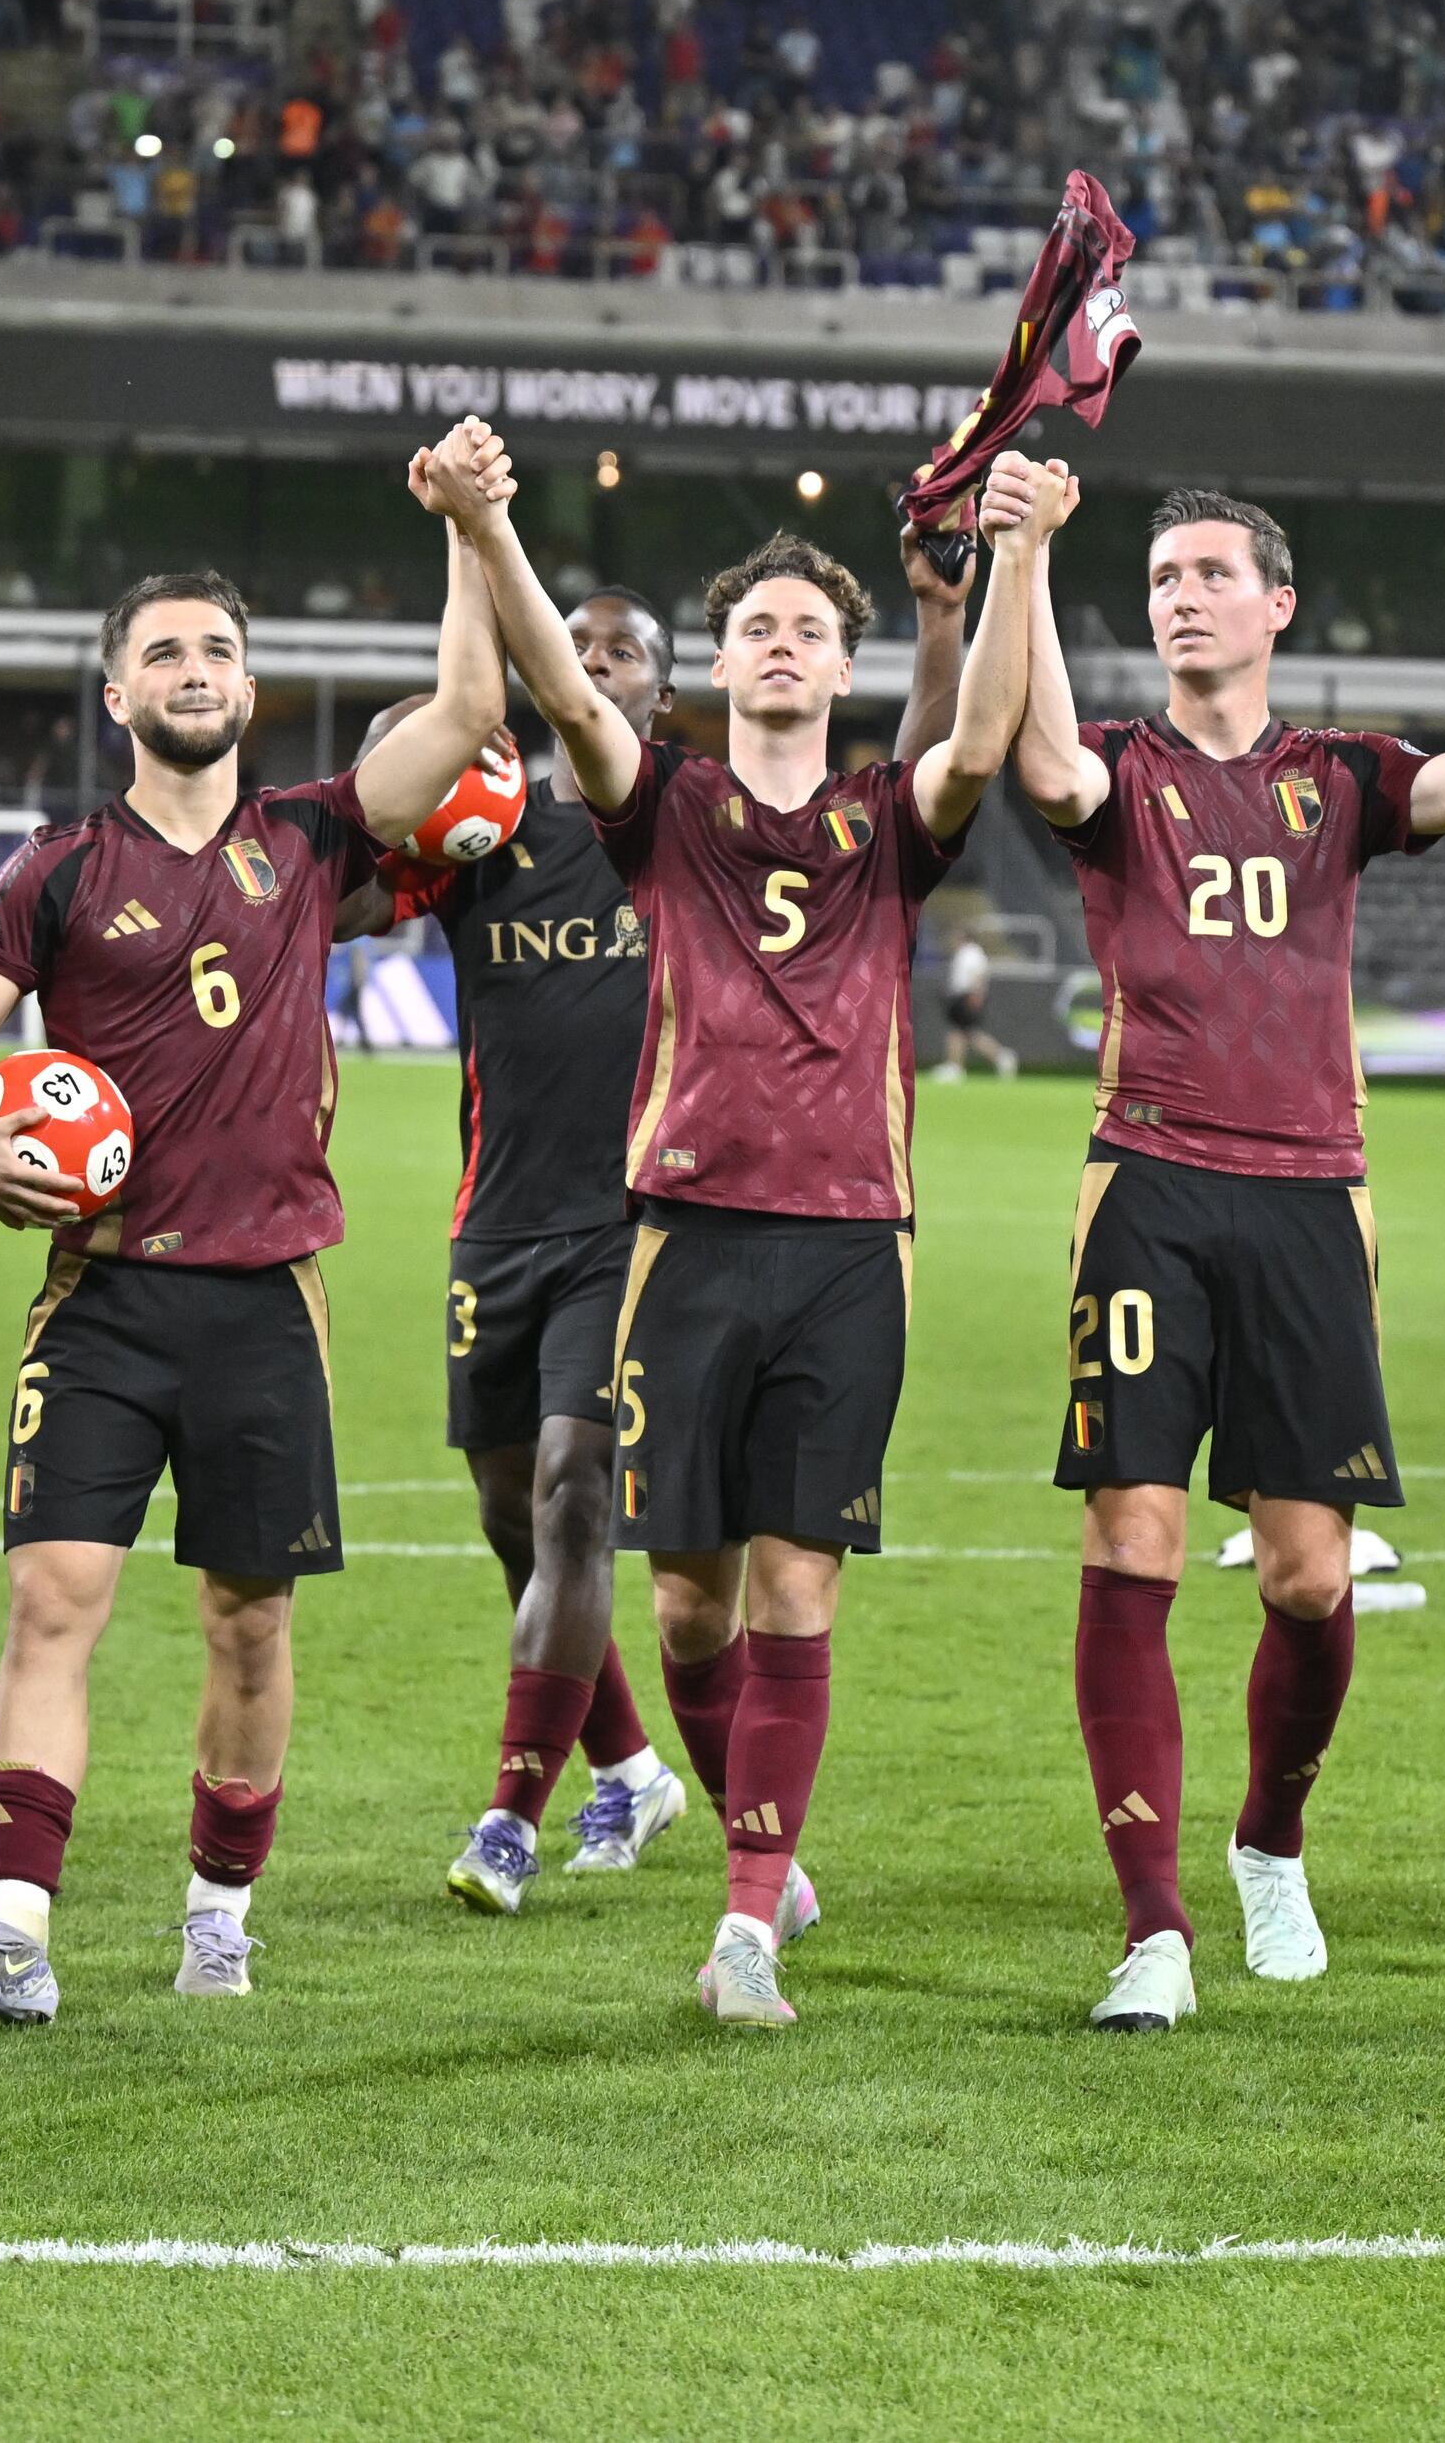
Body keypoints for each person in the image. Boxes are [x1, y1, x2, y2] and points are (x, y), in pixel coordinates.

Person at [0, 426, 518, 2025]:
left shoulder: (309, 836)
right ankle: (18, 1931)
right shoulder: (53, 867)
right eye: (163, 649)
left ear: (250, 683)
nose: (195, 667)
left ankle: (217, 1914)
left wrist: (469, 526)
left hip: (264, 1302)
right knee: (53, 1599)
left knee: (249, 1626)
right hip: (100, 1300)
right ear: (115, 695)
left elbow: (464, 717)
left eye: (219, 648)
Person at [995, 473, 1445, 2030]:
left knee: (1304, 1574)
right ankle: (1154, 1929)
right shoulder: (1118, 771)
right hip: (1143, 1181)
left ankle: (1270, 1838)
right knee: (1131, 1537)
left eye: (1215, 571)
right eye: (1161, 575)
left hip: (1309, 1198)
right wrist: (1026, 548)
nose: (1184, 594)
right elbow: (1037, 748)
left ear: (1280, 605)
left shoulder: (1342, 777)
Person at [481, 464, 1060, 2028]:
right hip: (685, 1239)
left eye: (810, 625)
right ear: (720, 663)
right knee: (688, 1604)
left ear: (845, 667)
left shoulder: (890, 820)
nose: (784, 642)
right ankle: (762, 1834)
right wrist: (489, 527)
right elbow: (558, 681)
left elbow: (984, 737)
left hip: (851, 1247)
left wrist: (1019, 554)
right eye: (758, 625)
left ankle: (746, 1924)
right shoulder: (663, 811)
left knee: (801, 1589)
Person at [428, 546, 967, 1921]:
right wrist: (481, 540)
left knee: (584, 1504)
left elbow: (942, 763)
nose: (596, 670)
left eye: (625, 656)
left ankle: (554, 1823)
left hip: (678, 1225)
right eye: (757, 626)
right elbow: (361, 887)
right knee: (566, 1542)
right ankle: (637, 1767)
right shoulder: (546, 831)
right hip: (517, 1220)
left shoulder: (753, 817)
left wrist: (967, 595)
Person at [937, 926, 1012, 1081]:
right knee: (966, 1033)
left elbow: (978, 975)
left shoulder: (971, 953)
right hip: (963, 995)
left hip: (966, 995)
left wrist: (975, 995)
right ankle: (1000, 1057)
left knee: (959, 1031)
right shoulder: (967, 953)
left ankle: (956, 1066)